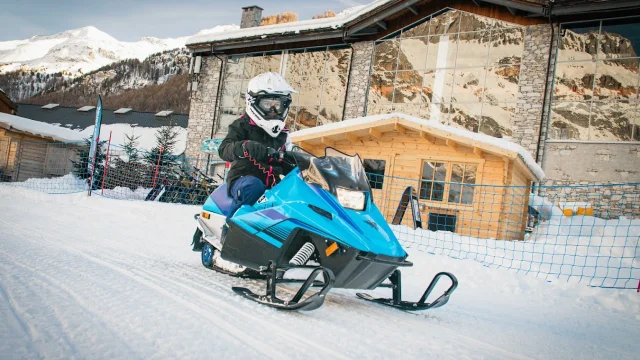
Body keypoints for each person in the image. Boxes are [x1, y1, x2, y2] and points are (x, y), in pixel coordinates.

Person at [216, 72, 297, 244]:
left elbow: (289, 157)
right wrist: (244, 147)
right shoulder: (241, 125)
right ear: (253, 102)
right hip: (243, 178)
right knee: (253, 186)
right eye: (267, 104)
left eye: (278, 105)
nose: (273, 110)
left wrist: (301, 162)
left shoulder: (283, 133)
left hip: (275, 182)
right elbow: (224, 149)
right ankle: (229, 232)